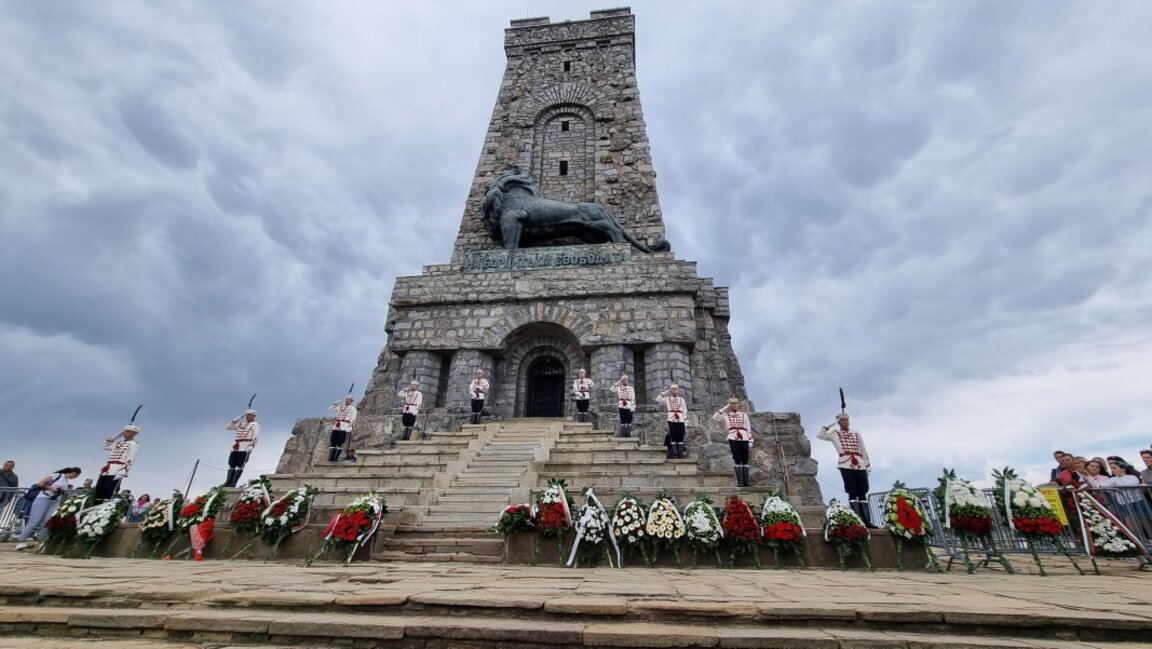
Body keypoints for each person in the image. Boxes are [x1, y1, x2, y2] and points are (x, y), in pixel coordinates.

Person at [817, 412, 874, 527]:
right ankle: (859, 520)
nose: (845, 422)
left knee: (863, 491)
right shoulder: (834, 433)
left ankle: (867, 521)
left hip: (859, 463)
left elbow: (863, 449)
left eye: (847, 420)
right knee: (852, 491)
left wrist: (867, 466)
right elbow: (820, 435)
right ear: (839, 422)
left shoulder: (856, 433)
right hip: (845, 463)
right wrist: (831, 424)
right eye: (842, 420)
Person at [14, 467, 81, 551]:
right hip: (43, 499)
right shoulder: (57, 475)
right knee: (34, 521)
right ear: (72, 472)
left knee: (48, 521)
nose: (74, 478)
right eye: (75, 475)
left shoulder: (66, 481)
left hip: (54, 501)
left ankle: (41, 540)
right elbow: (40, 483)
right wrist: (50, 488)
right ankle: (21, 540)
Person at [712, 398, 753, 487]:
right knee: (737, 459)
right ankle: (740, 482)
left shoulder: (743, 415)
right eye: (732, 404)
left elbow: (748, 428)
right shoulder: (726, 415)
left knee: (745, 459)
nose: (734, 405)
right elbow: (715, 417)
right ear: (729, 405)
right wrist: (726, 407)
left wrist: (750, 440)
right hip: (733, 437)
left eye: (735, 403)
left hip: (744, 438)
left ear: (738, 404)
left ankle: (746, 482)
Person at [95, 425, 140, 503]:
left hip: (117, 469)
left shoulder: (133, 444)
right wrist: (115, 437)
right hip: (107, 469)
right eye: (125, 431)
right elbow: (105, 446)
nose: (125, 433)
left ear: (134, 434)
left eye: (128, 431)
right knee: (99, 490)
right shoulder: (118, 443)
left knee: (109, 491)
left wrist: (123, 472)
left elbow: (130, 459)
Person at [223, 409, 259, 488]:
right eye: (246, 415)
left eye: (249, 415)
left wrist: (251, 447)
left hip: (245, 447)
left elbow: (255, 437)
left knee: (240, 465)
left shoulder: (255, 425)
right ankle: (227, 482)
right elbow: (229, 427)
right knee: (232, 464)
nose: (247, 416)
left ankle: (233, 483)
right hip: (236, 446)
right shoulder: (241, 424)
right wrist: (238, 418)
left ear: (254, 416)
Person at [655, 384, 688, 459]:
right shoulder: (667, 398)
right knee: (673, 436)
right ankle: (675, 454)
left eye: (676, 389)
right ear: (671, 391)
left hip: (680, 419)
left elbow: (685, 410)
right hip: (671, 418)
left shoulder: (681, 399)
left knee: (680, 436)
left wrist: (685, 421)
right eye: (673, 389)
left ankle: (680, 454)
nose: (675, 391)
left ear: (678, 390)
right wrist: (666, 392)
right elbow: (658, 399)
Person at [327, 394, 358, 461]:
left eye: (349, 400)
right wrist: (335, 403)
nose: (347, 401)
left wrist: (350, 427)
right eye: (346, 399)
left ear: (351, 401)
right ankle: (331, 457)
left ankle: (335, 458)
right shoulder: (340, 407)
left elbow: (353, 419)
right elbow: (330, 409)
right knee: (333, 441)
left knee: (340, 442)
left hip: (344, 426)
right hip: (337, 426)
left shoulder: (353, 409)